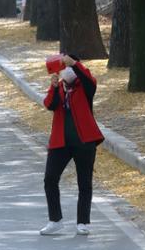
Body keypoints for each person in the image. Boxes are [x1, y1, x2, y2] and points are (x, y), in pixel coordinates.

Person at [40, 53, 104, 236]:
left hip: (84, 142)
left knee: (84, 183)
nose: (65, 71)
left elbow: (89, 79)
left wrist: (74, 64)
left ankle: (83, 221)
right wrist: (52, 87)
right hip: (60, 143)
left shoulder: (85, 87)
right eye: (63, 68)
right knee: (50, 179)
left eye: (67, 68)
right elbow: (49, 105)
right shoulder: (60, 88)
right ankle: (55, 220)